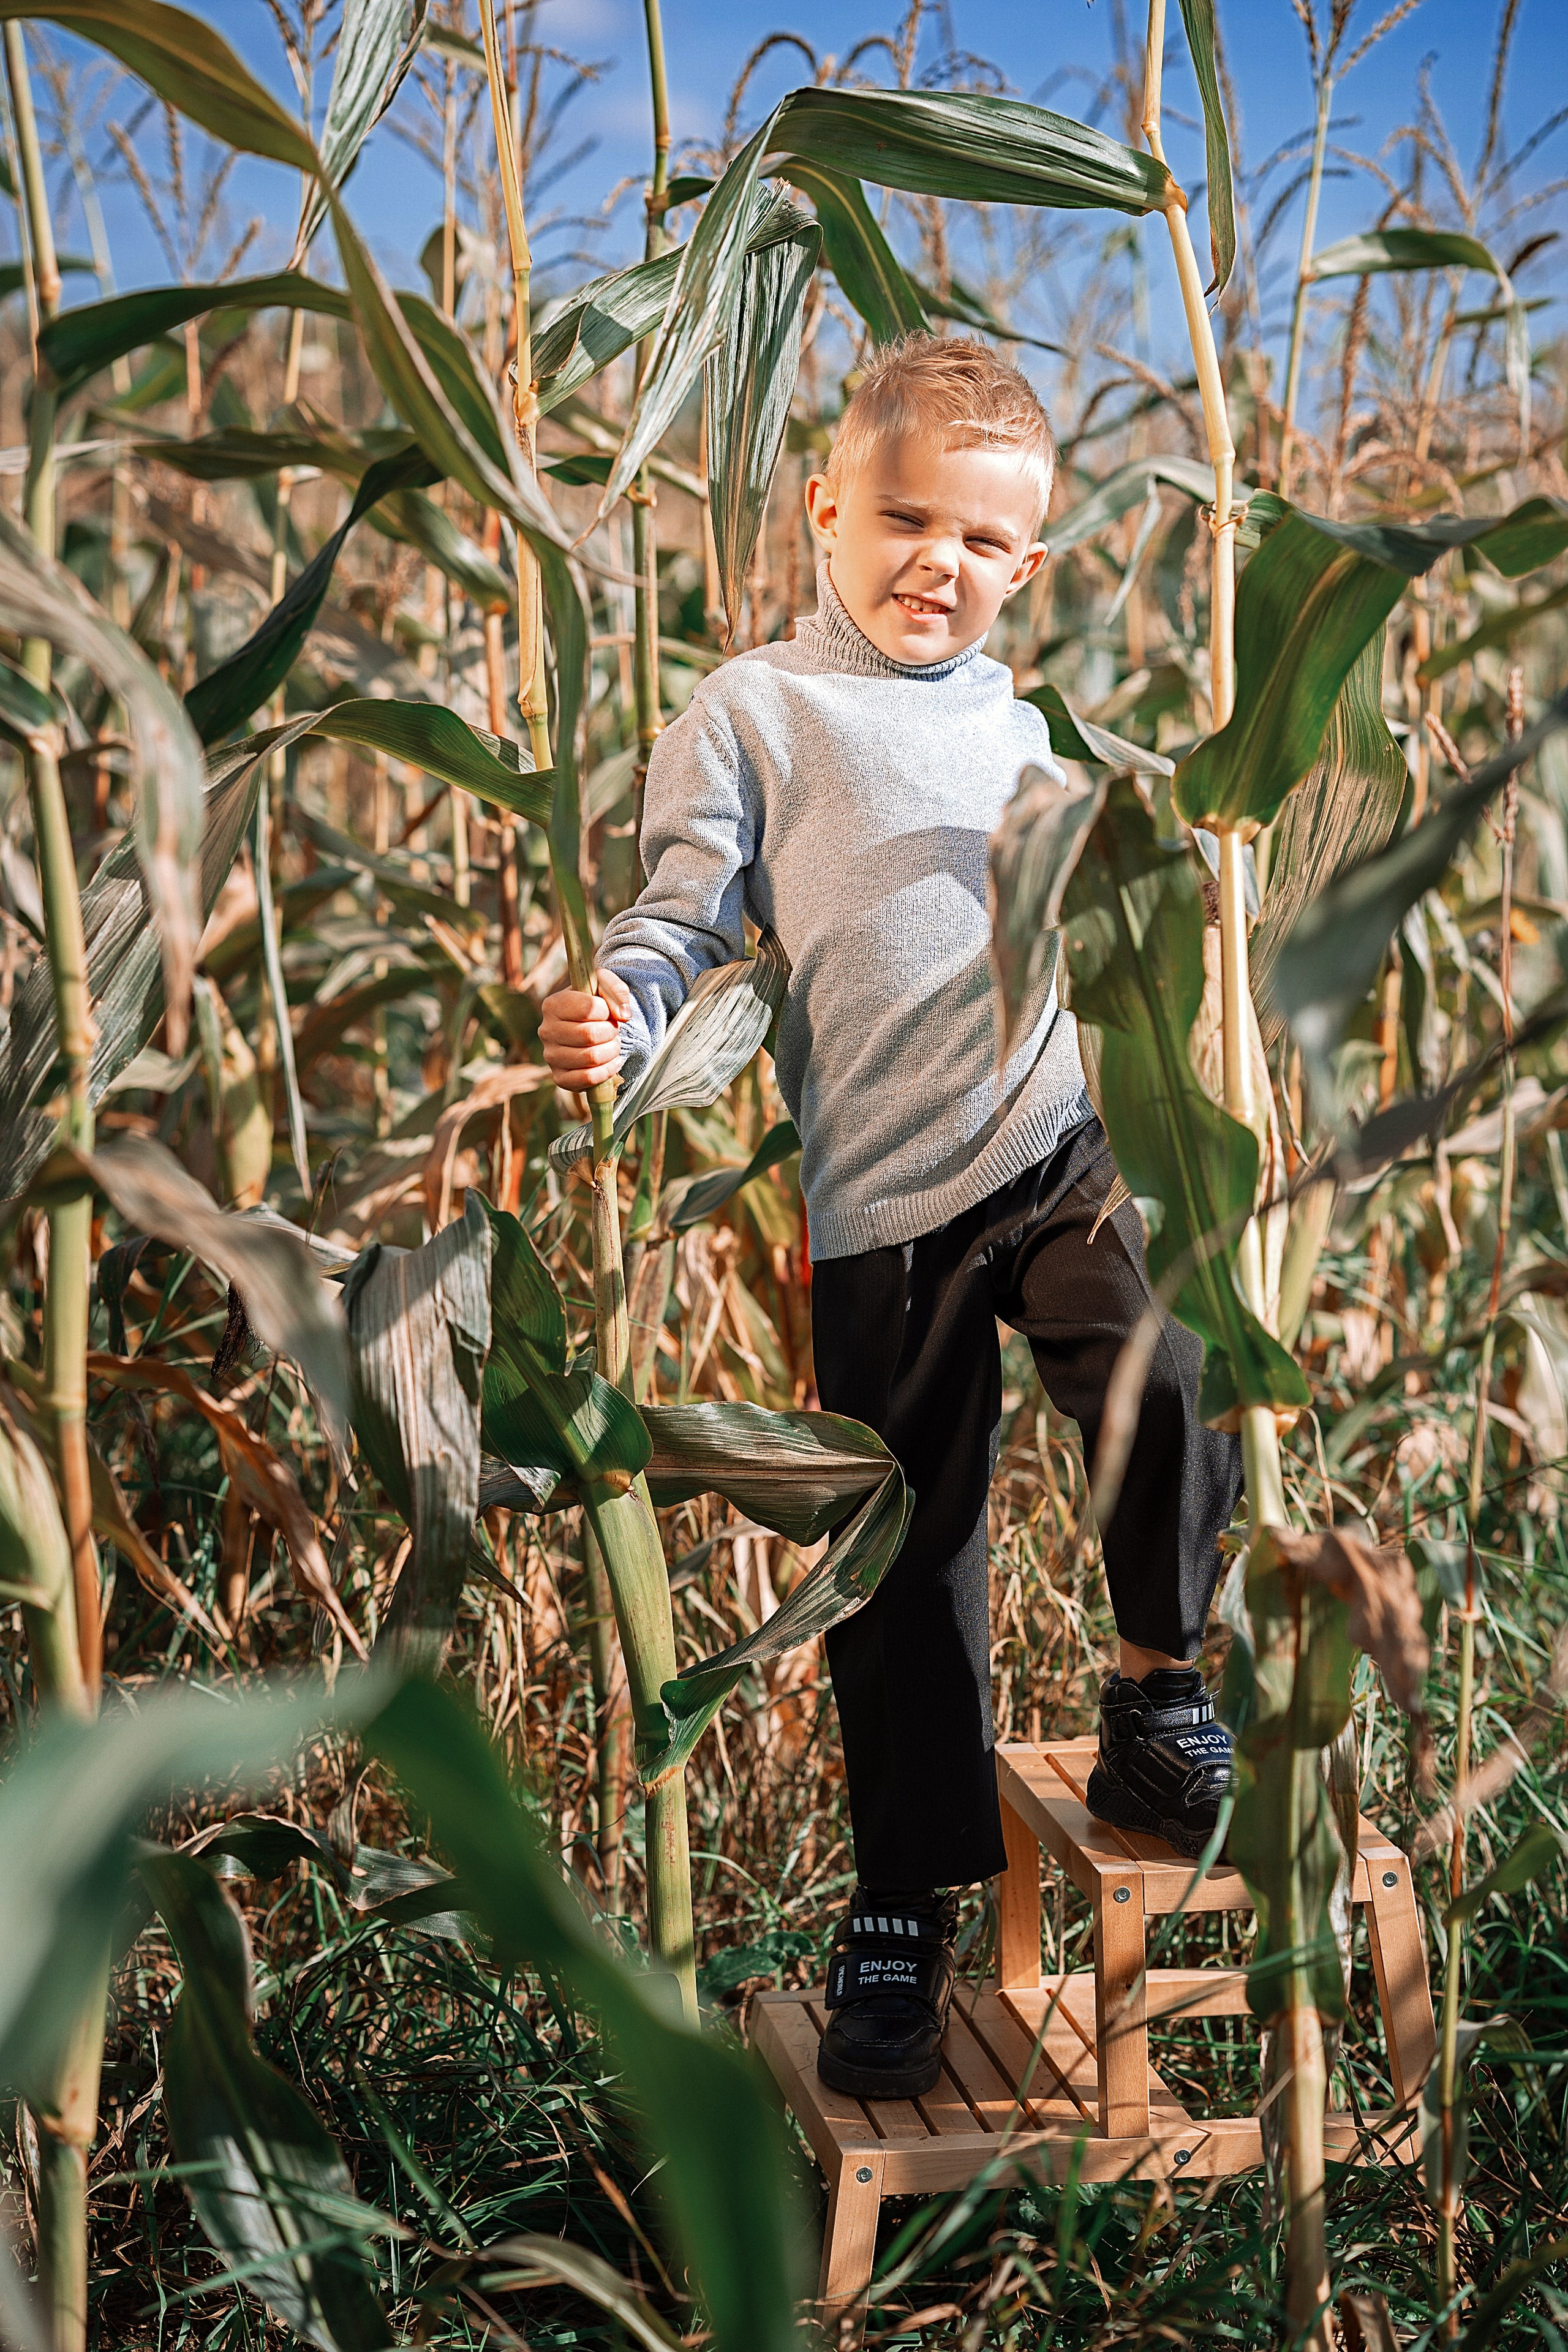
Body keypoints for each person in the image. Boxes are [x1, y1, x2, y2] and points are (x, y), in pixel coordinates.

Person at [540, 336, 1242, 2102]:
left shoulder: (1036, 730)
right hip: (879, 1211)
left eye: (982, 539)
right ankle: (906, 1907)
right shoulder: (757, 712)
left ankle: (1162, 1686)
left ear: (1031, 564)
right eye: (905, 518)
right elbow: (683, 908)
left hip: (1058, 1149)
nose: (939, 560)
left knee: (1166, 1367)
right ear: (825, 509)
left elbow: (1132, 915)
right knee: (905, 1562)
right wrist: (622, 1002)